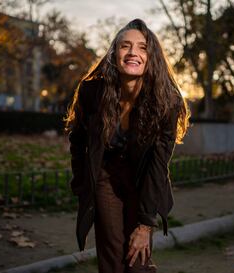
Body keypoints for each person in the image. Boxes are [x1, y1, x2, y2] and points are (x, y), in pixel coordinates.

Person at [65, 18, 189, 273]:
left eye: (142, 47)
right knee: (111, 257)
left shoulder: (167, 102)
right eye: (125, 46)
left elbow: (158, 165)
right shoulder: (92, 92)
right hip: (106, 177)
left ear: (151, 57)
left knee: (137, 258)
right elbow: (77, 139)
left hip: (143, 179)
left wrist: (145, 226)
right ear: (115, 53)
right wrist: (81, 181)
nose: (133, 52)